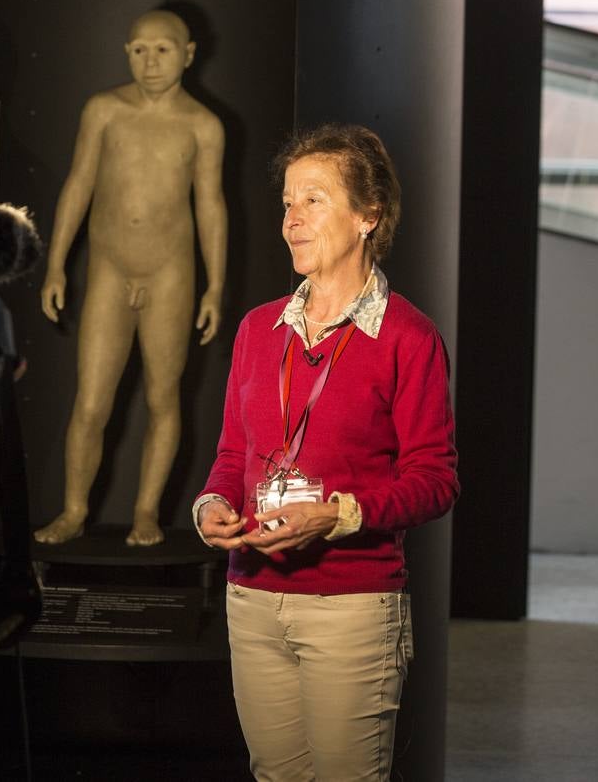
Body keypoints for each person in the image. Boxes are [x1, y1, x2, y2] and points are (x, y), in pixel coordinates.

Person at [194, 124, 458, 781]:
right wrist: (211, 505)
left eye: (313, 199)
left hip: (352, 610)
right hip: (252, 598)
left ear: (369, 214)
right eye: (287, 202)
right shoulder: (259, 329)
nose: (292, 219)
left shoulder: (408, 338)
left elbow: (435, 480)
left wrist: (340, 515)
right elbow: (233, 454)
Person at [36, 8, 227, 547]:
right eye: (139, 49)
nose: (150, 61)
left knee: (164, 398)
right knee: (91, 402)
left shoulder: (202, 125)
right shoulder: (104, 110)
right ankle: (74, 510)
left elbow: (211, 205)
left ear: (188, 54)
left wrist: (215, 284)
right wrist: (55, 263)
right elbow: (78, 184)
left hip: (170, 272)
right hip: (109, 269)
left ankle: (147, 511)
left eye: (163, 49)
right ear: (126, 52)